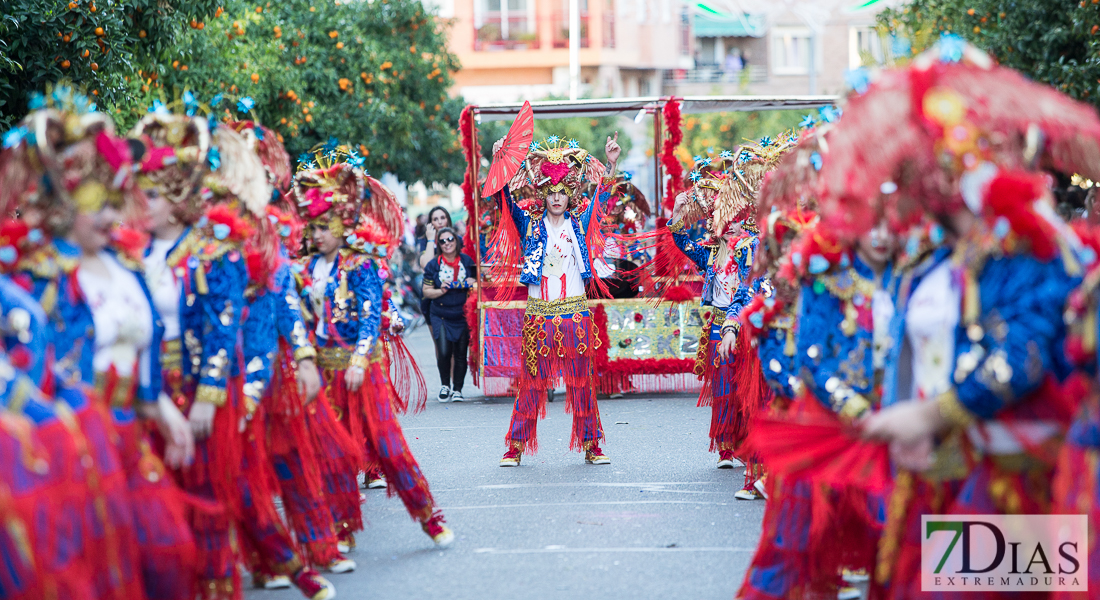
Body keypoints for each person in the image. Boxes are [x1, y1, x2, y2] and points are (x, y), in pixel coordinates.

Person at [290, 145, 454, 550]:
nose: (316, 235)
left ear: (342, 226)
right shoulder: (308, 268)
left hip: (364, 370)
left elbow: (368, 317)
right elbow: (302, 319)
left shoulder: (361, 265)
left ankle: (428, 516)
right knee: (334, 451)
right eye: (312, 229)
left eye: (323, 228)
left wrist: (361, 358)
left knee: (389, 448)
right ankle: (343, 526)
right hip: (327, 374)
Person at [487, 132, 621, 467]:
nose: (557, 198)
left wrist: (611, 165)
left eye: (563, 192)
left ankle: (592, 445)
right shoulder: (530, 225)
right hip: (538, 318)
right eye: (552, 192)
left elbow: (601, 200)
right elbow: (503, 202)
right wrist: (499, 164)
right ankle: (515, 447)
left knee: (581, 384)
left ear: (570, 194)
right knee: (531, 385)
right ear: (544, 194)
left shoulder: (579, 224)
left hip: (574, 316)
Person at [422, 226, 477, 402]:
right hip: (441, 314)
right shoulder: (433, 265)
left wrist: (473, 281)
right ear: (438, 244)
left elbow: (479, 281)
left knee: (461, 353)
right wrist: (441, 291)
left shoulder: (467, 261)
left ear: (456, 241)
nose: (447, 244)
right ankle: (445, 385)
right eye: (443, 241)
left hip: (462, 313)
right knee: (444, 351)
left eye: (450, 240)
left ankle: (458, 389)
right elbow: (426, 291)